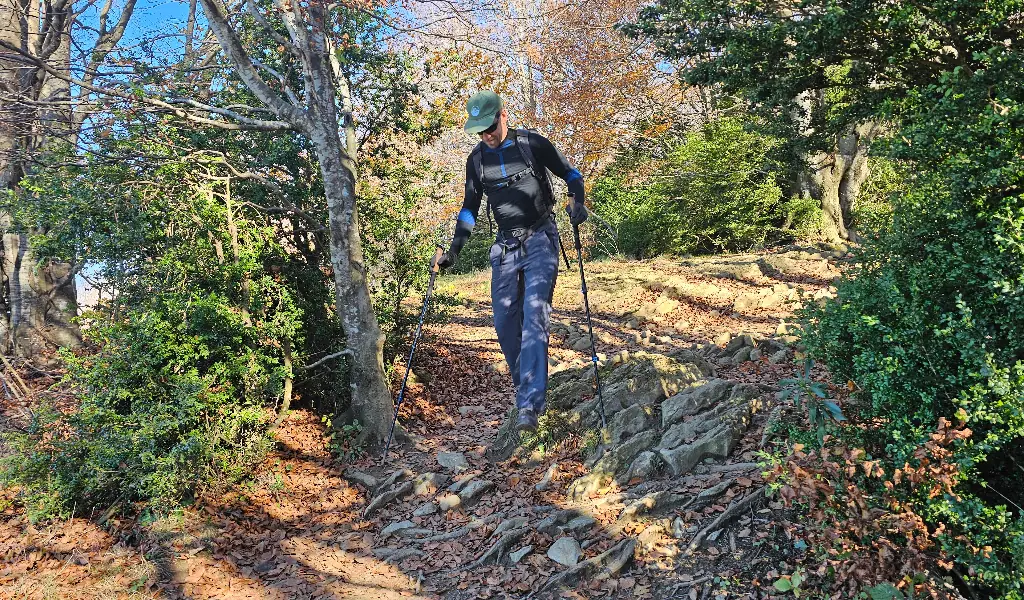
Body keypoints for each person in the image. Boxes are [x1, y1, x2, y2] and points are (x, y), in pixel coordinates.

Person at [432, 90, 588, 433]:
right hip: (504, 247)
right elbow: (469, 208)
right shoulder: (476, 161)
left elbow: (571, 174)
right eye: (479, 131)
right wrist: (454, 250)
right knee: (505, 324)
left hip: (540, 239)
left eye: (490, 127)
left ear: (504, 115)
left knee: (535, 316)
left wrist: (578, 201)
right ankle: (527, 388)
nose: (486, 135)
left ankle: (529, 405)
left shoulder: (532, 144)